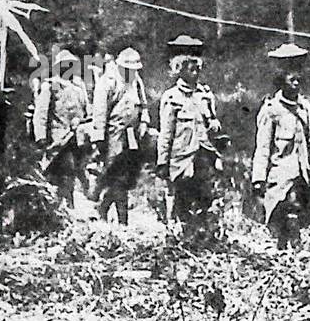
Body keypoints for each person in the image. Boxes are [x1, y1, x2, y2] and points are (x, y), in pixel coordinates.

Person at [251, 43, 310, 249]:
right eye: (289, 74)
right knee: (289, 211)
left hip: (301, 174)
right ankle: (292, 253)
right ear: (280, 79)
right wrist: (258, 179)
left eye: (298, 72)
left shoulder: (304, 107)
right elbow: (263, 148)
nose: (295, 78)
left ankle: (290, 254)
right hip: (280, 177)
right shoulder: (271, 110)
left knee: (302, 214)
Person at [157, 35, 224, 227]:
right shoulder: (171, 98)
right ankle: (179, 235)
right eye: (191, 69)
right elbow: (166, 134)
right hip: (181, 159)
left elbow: (212, 120)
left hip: (203, 156)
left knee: (205, 197)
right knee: (181, 199)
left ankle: (203, 235)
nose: (196, 73)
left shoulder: (205, 96)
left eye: (198, 69)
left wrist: (214, 125)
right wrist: (163, 162)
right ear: (179, 70)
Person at [91, 47, 150, 225]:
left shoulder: (136, 81)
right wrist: (99, 139)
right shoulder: (107, 81)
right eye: (128, 69)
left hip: (132, 135)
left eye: (134, 70)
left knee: (127, 175)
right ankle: (121, 219)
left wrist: (145, 122)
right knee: (117, 175)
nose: (131, 73)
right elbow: (100, 112)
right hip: (114, 135)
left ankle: (103, 206)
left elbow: (144, 104)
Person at [33, 48, 90, 205]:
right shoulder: (50, 86)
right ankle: (61, 206)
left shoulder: (79, 87)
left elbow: (86, 110)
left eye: (71, 64)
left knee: (75, 172)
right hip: (58, 139)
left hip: (77, 139)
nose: (68, 67)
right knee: (65, 170)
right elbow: (41, 113)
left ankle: (66, 205)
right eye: (65, 65)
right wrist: (41, 137)